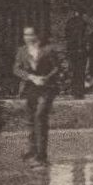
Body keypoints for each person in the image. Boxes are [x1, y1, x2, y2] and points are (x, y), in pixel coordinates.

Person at [12, 25, 64, 165]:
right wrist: (29, 77)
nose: (27, 38)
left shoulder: (48, 50)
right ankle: (32, 150)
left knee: (40, 116)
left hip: (46, 88)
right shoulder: (22, 51)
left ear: (37, 36)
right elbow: (16, 69)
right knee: (30, 119)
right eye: (25, 35)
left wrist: (46, 78)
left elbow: (57, 67)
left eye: (30, 35)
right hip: (29, 88)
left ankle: (42, 155)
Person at [63, 9, 88, 98]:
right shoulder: (82, 22)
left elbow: (66, 36)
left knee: (73, 71)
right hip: (80, 50)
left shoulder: (69, 22)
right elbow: (82, 36)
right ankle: (79, 92)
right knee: (80, 71)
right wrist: (81, 47)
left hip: (72, 50)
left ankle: (74, 91)